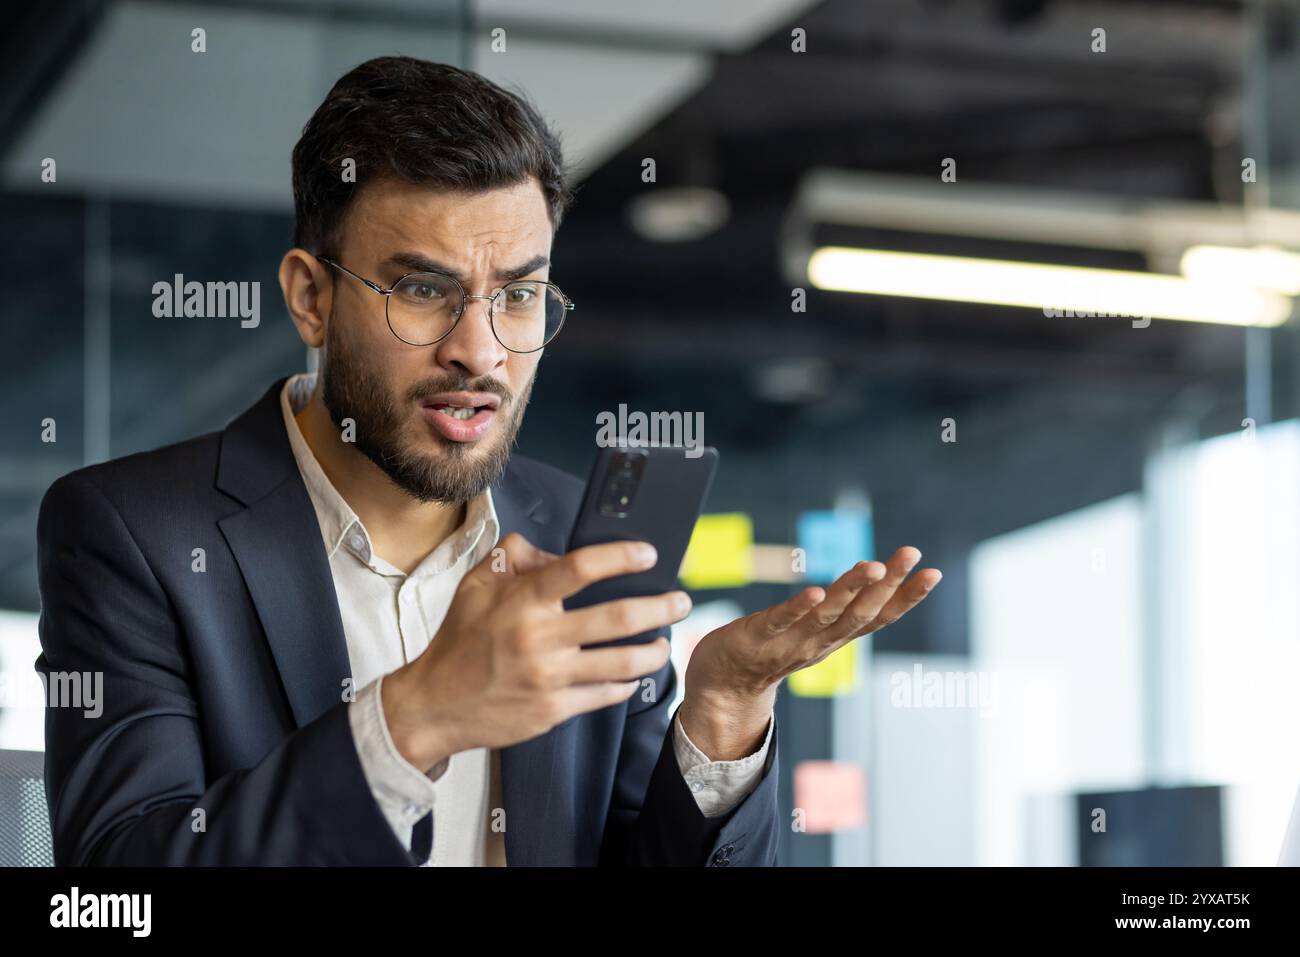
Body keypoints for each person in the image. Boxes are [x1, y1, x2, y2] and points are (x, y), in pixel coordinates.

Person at [35, 56, 941, 866]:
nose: (481, 351)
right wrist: (416, 715)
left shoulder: (574, 531)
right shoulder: (136, 533)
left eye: (519, 295)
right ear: (312, 298)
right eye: (424, 290)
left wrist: (721, 715)